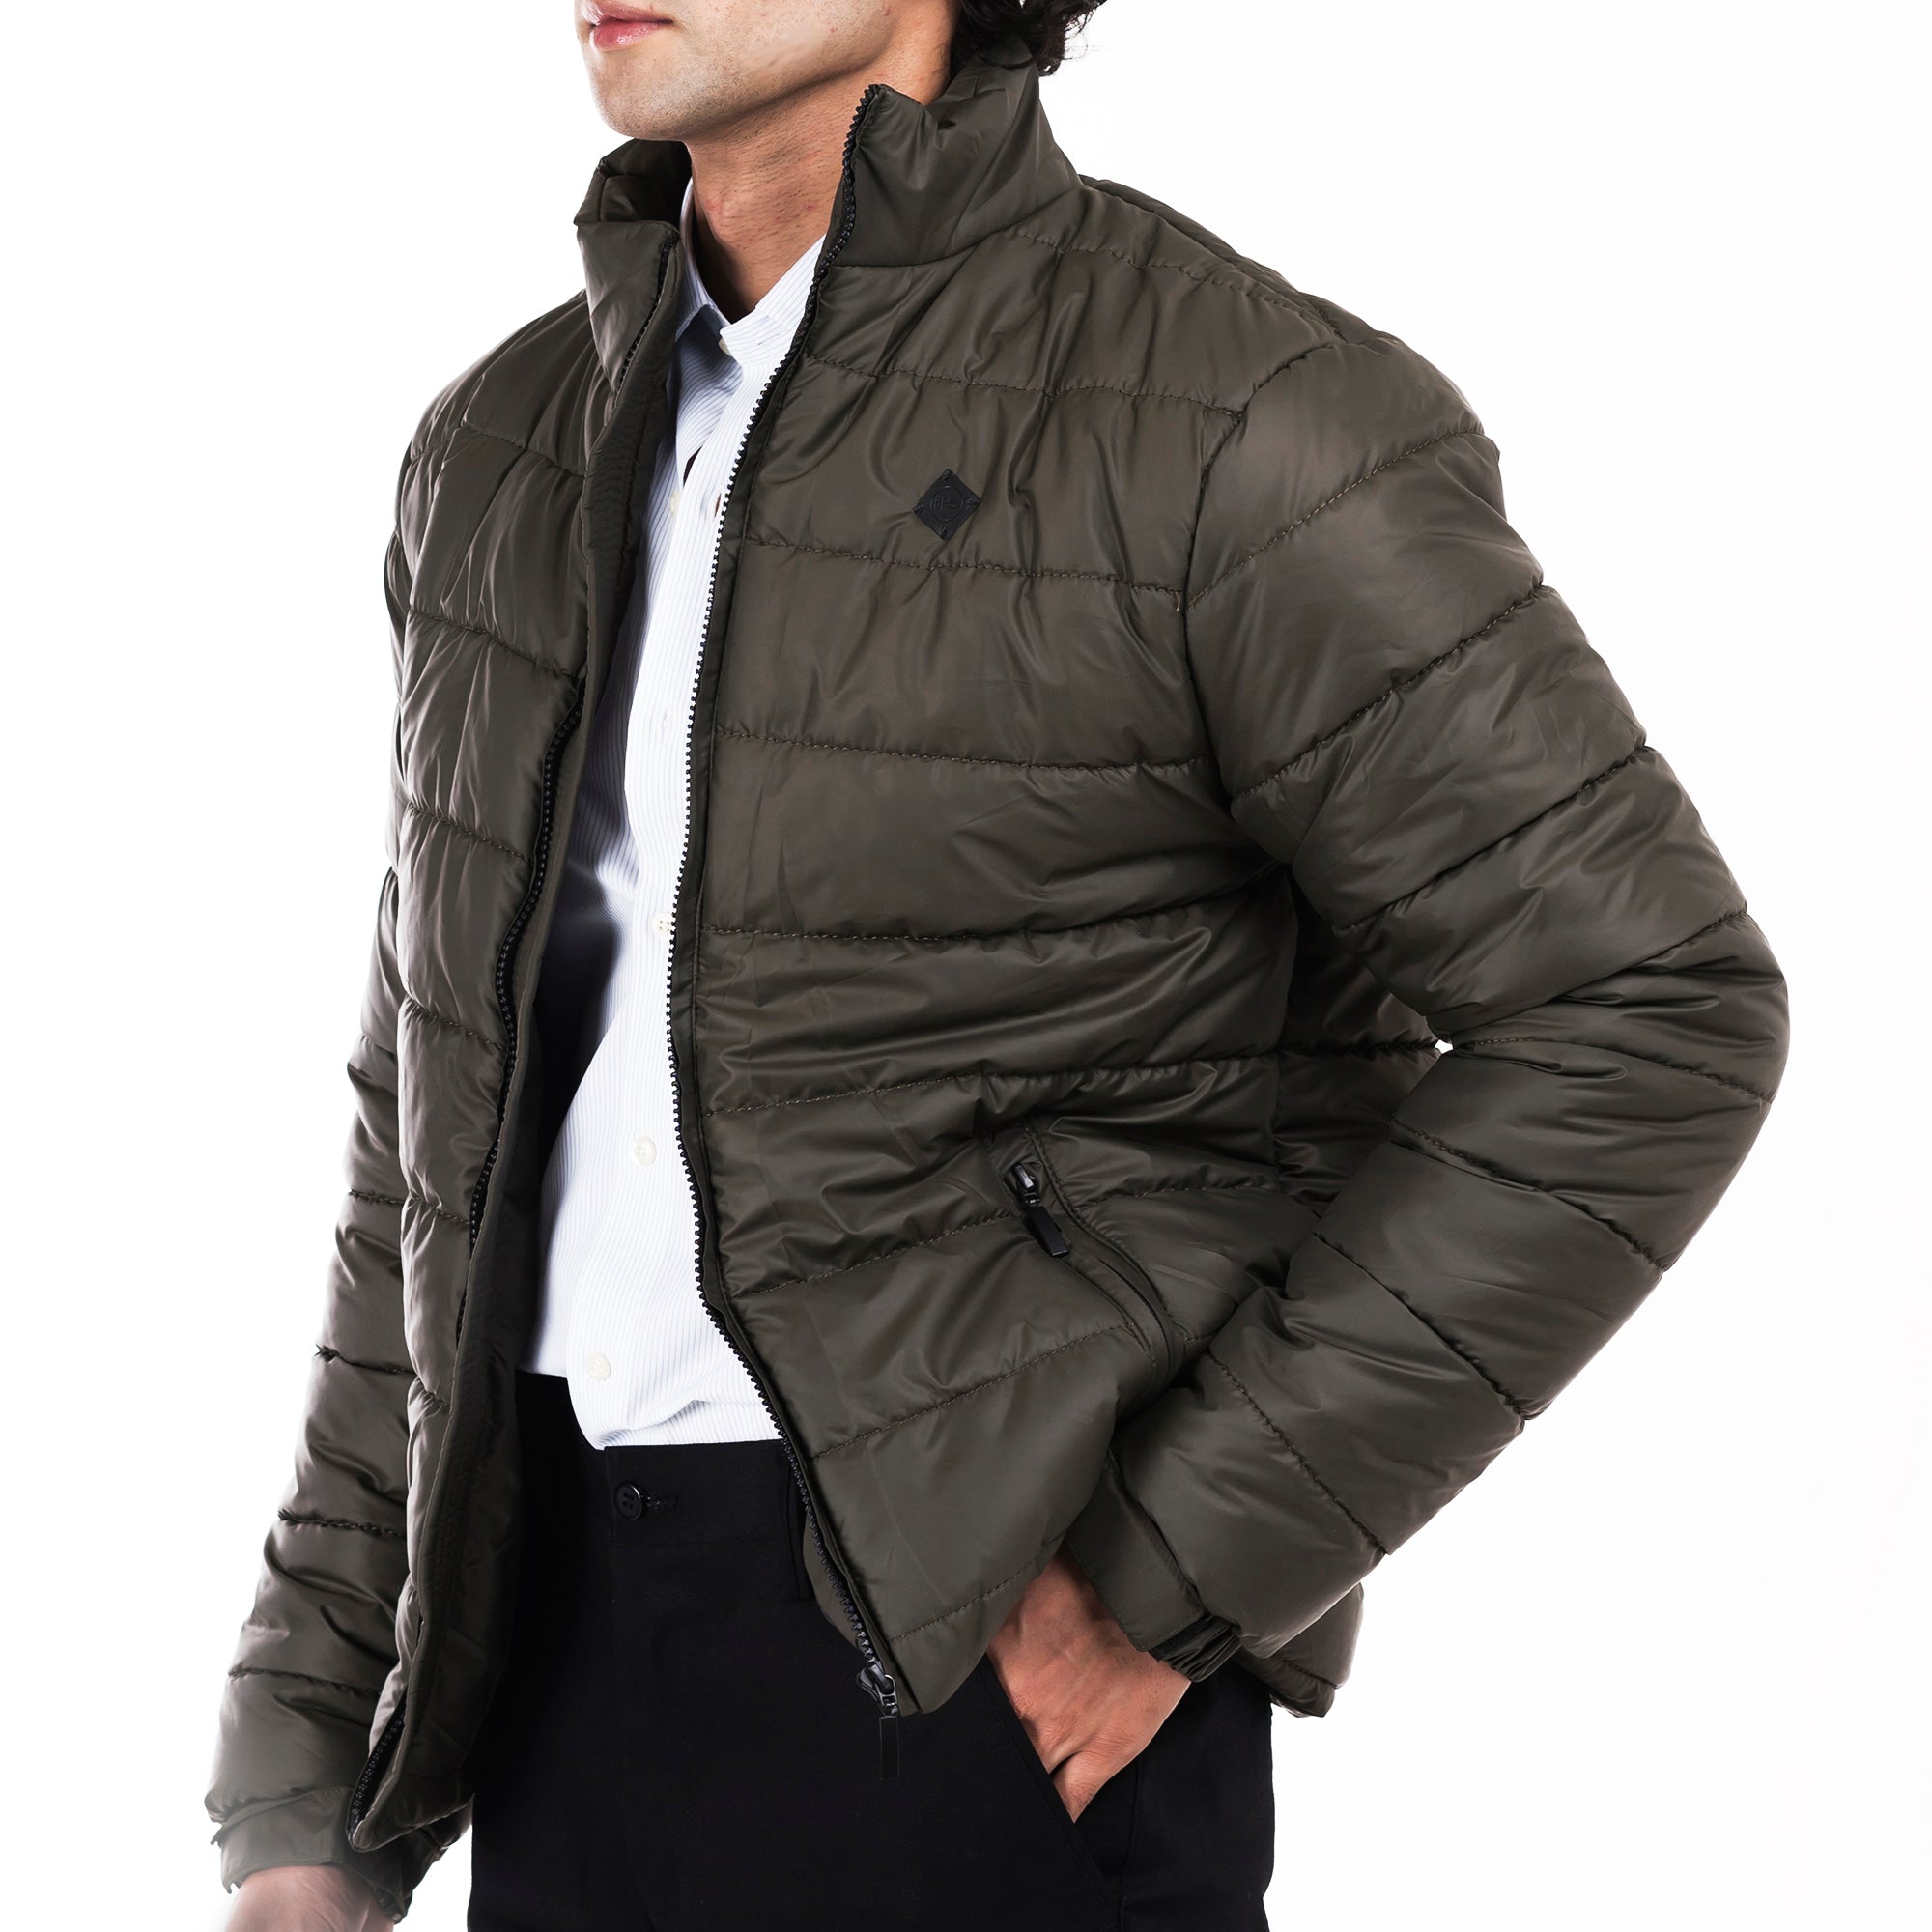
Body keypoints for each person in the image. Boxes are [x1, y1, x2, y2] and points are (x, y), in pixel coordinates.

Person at [209, 2, 1790, 1926]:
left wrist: (1163, 1577)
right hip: (553, 1676)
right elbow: (438, 1130)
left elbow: (1648, 1006)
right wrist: (310, 1765)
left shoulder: (1243, 420)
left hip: (983, 1687)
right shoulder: (499, 451)